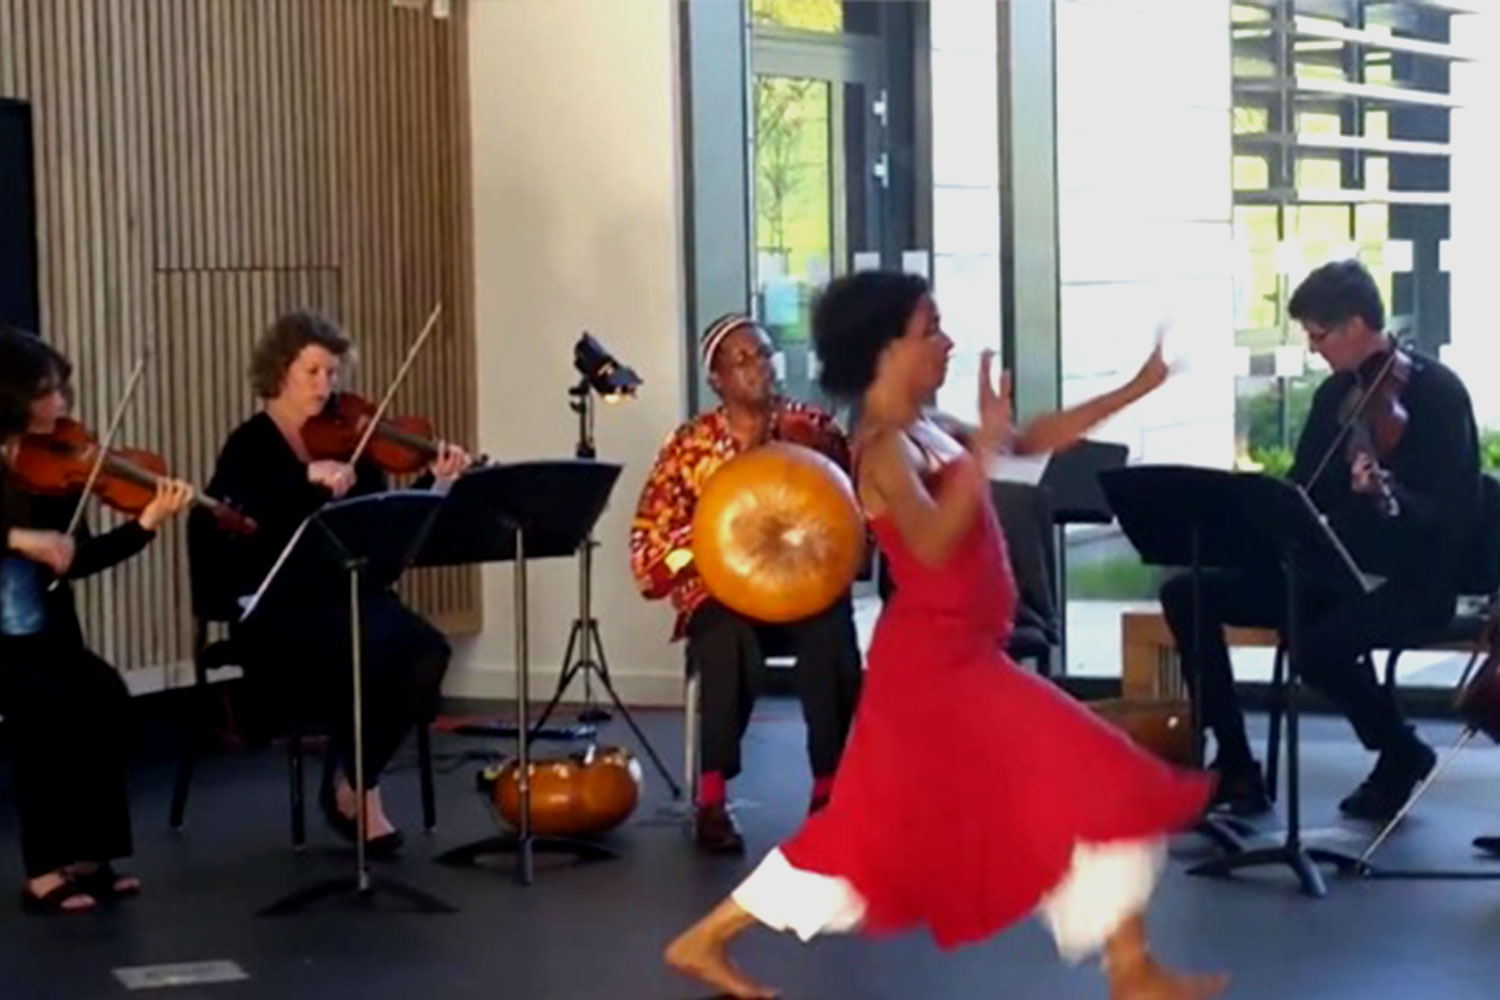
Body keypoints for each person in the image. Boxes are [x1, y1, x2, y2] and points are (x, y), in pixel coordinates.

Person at [663, 273, 1226, 1000]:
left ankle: (1131, 966)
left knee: (874, 836)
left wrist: (1136, 386)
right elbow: (929, 542)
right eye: (931, 329)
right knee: (1097, 775)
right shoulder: (881, 447)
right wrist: (985, 449)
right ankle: (1131, 969)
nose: (948, 342)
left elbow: (1035, 440)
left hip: (959, 659)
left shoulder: (929, 426)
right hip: (935, 671)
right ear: (885, 348)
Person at [1159, 260, 1476, 820]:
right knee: (1187, 593)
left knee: (1315, 645)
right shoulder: (1337, 395)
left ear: (1356, 324)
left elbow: (1455, 511)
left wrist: (1388, 497)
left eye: (1318, 335)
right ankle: (1235, 766)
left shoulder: (1438, 394)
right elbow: (1304, 489)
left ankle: (1399, 751)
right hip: (1334, 573)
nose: (1313, 348)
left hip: (1413, 583)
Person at [204, 310, 469, 853]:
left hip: (355, 593)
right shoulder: (249, 447)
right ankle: (363, 798)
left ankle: (355, 781)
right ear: (279, 372)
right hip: (280, 607)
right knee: (360, 656)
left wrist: (434, 484)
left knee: (426, 652)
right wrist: (302, 480)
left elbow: (386, 522)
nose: (326, 386)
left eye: (332, 373)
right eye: (313, 372)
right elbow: (234, 516)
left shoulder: (354, 441)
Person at [630, 314, 864, 854]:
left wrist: (827, 458)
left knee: (831, 629)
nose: (759, 367)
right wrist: (709, 540)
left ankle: (829, 790)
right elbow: (648, 550)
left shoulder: (813, 428)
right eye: (743, 360)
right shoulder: (689, 447)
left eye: (763, 354)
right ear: (717, 379)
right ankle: (712, 796)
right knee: (723, 638)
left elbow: (847, 517)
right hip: (724, 591)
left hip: (802, 587)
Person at [0, 327, 194, 914]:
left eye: (61, 390)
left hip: (45, 632)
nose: (62, 405)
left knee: (104, 699)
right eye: (46, 393)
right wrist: (16, 536)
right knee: (44, 710)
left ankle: (89, 857)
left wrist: (147, 524)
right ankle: (41, 870)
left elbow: (77, 560)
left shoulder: (51, 470)